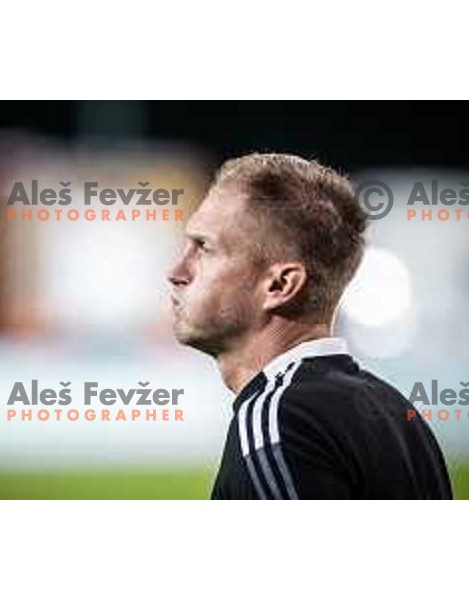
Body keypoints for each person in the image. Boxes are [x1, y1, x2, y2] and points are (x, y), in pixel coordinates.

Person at [168, 153, 452, 499]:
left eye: (204, 248)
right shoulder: (396, 411)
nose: (177, 272)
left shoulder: (278, 419)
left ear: (279, 286)